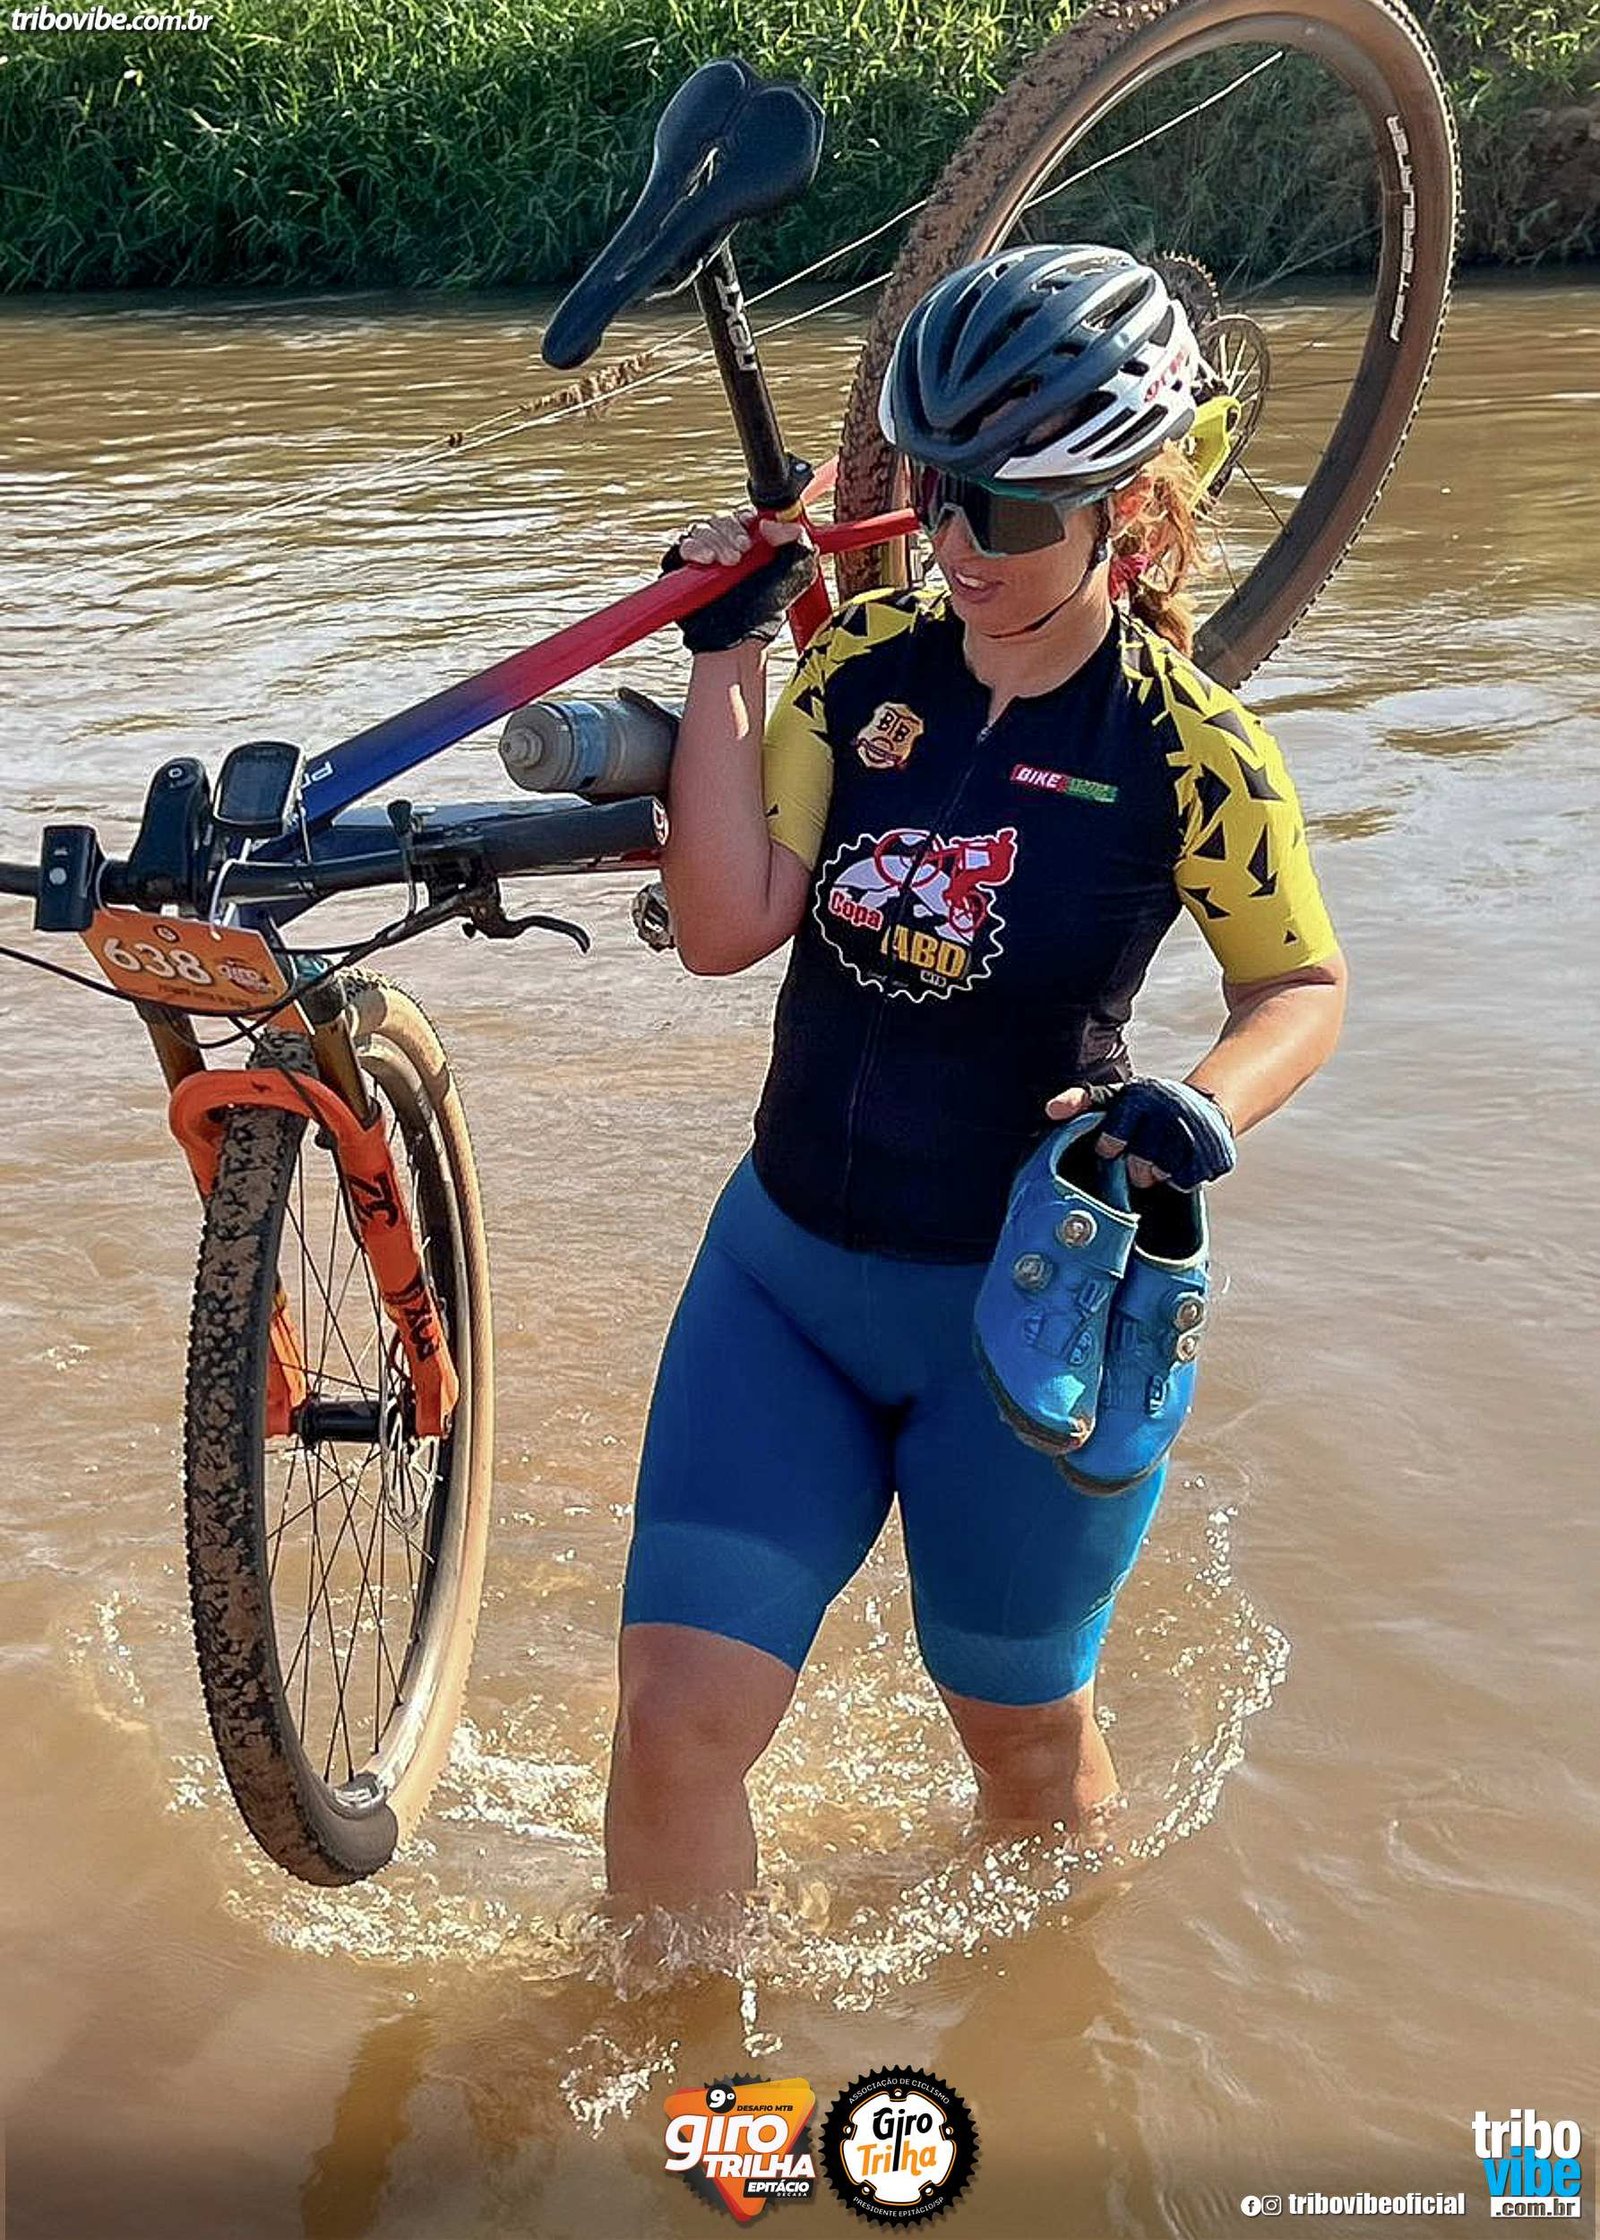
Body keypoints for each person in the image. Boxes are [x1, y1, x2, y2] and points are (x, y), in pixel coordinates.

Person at [605, 245, 1347, 1907]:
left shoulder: (1192, 746)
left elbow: (1298, 986)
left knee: (1020, 1752)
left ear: (1124, 513)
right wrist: (726, 658)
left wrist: (1205, 1104)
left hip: (1020, 1324)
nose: (956, 546)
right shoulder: (864, 660)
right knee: (671, 1727)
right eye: (941, 496)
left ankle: (1062, 2035)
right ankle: (661, 2063)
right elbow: (726, 928)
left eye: (1007, 513)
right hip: (781, 1282)